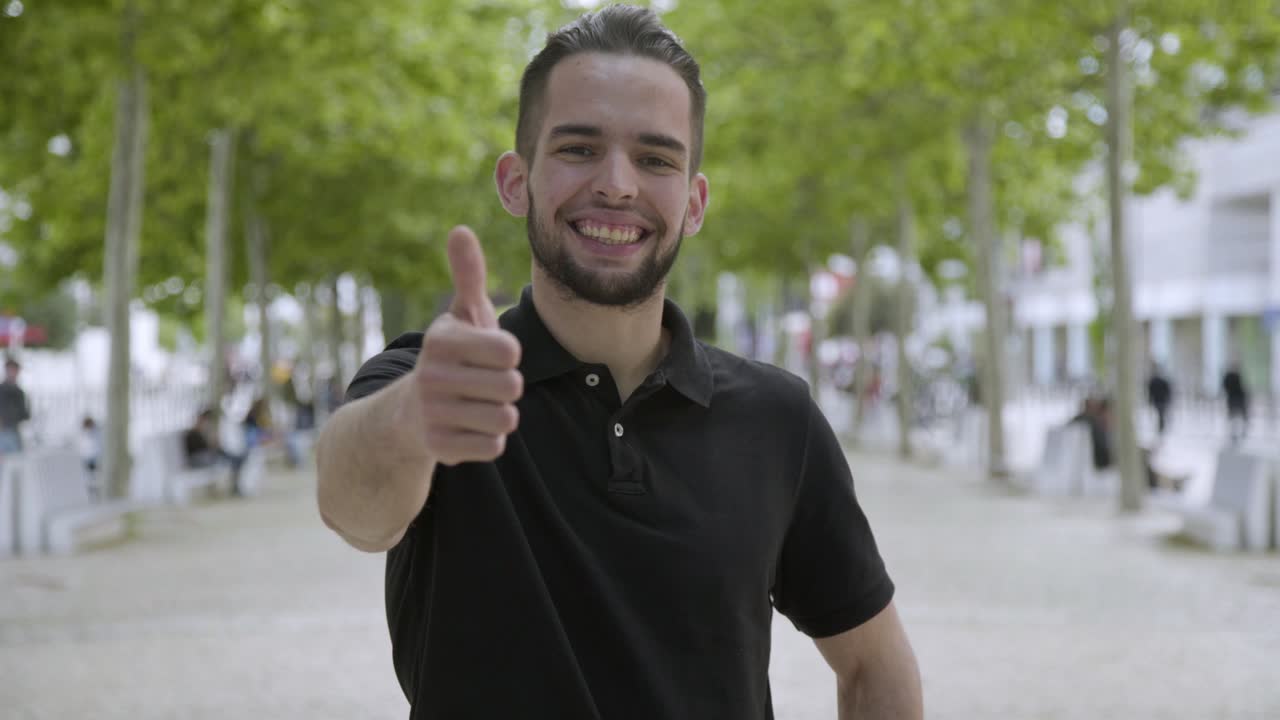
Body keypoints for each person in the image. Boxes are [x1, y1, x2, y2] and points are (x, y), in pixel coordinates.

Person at [315, 6, 922, 718]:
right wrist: (418, 415)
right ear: (517, 182)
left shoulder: (778, 419)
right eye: (578, 148)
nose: (617, 184)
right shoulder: (435, 381)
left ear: (694, 202)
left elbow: (875, 666)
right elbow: (353, 508)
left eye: (656, 158)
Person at [184, 408, 244, 496]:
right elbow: (203, 448)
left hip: (207, 456)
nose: (206, 422)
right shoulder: (193, 433)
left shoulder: (201, 431)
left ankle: (236, 483)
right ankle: (235, 485)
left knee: (229, 457)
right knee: (228, 460)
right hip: (198, 459)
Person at [0, 358, 30, 455]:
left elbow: (24, 413)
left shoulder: (19, 391)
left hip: (14, 430)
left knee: (15, 462)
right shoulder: (3, 389)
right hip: (4, 430)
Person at [1222, 363, 1249, 444]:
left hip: (1234, 398)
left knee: (1235, 416)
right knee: (1236, 416)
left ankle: (1237, 433)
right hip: (1236, 398)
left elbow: (1225, 386)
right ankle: (1236, 433)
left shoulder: (1230, 376)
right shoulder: (1233, 376)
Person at [1146, 363, 1172, 436]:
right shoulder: (1159, 380)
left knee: (1160, 414)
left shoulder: (1154, 381)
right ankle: (1161, 427)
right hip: (1161, 401)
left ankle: (1161, 427)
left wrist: (1150, 400)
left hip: (1159, 401)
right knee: (1161, 414)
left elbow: (1150, 392)